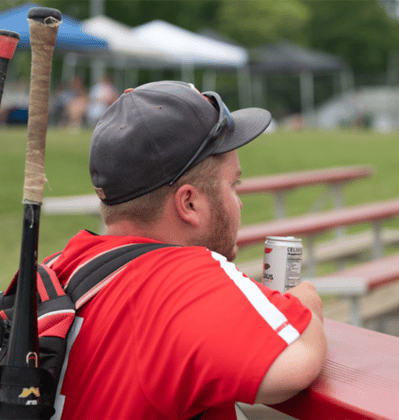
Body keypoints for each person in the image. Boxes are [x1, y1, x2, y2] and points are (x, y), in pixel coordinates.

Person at [47, 80, 327, 420]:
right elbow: (294, 367)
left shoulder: (61, 266)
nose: (238, 202)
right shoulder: (182, 277)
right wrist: (305, 302)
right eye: (233, 184)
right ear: (189, 203)